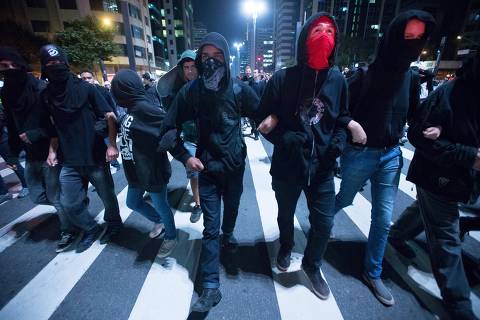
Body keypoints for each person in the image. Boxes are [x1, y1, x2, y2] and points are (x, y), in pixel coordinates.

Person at [332, 10, 436, 306]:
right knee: (344, 200)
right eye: (407, 37)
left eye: (419, 38)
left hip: (391, 156)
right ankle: (318, 229)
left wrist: (433, 129)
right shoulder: (364, 75)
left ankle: (372, 271)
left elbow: (416, 118)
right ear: (393, 37)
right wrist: (351, 124)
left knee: (383, 218)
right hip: (360, 154)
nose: (413, 44)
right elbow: (338, 113)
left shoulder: (412, 79)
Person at [159, 32, 259, 312]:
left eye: (217, 57)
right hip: (207, 169)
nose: (211, 63)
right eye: (205, 57)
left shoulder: (239, 90)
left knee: (233, 210)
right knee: (209, 228)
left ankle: (229, 235)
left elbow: (264, 114)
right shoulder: (192, 92)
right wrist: (184, 156)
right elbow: (168, 127)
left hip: (236, 167)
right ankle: (211, 287)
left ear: (227, 60)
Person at [255, 13, 348, 300]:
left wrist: (335, 149)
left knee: (324, 224)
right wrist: (286, 139)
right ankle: (286, 245)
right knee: (285, 214)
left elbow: (342, 119)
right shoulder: (284, 77)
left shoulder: (338, 80)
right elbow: (262, 119)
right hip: (287, 166)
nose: (324, 35)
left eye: (330, 31)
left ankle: (312, 264)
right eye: (317, 30)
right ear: (305, 38)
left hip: (321, 170)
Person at [406, 52, 480, 320]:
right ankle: (459, 303)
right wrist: (469, 156)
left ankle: (396, 234)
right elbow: (418, 135)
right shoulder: (448, 93)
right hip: (440, 176)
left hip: (462, 181)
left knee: (423, 212)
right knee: (445, 234)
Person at [40, 44, 123, 253]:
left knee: (108, 197)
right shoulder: (47, 95)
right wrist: (51, 151)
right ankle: (90, 228)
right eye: (50, 63)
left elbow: (110, 115)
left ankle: (114, 225)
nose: (55, 66)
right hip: (69, 160)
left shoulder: (86, 89)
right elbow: (52, 128)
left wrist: (111, 144)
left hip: (94, 156)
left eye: (58, 62)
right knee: (69, 203)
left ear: (66, 63)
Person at [0, 47, 76, 252]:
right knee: (36, 195)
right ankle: (71, 207)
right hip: (30, 154)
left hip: (50, 152)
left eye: (14, 65)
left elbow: (58, 125)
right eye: (4, 66)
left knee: (54, 196)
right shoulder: (6, 91)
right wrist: (13, 151)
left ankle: (68, 229)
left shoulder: (41, 89)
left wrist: (37, 135)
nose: (10, 69)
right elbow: (11, 121)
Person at [111, 69, 177, 257]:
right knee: (132, 202)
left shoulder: (144, 107)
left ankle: (171, 236)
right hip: (136, 171)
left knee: (161, 206)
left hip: (152, 170)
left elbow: (169, 122)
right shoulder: (132, 108)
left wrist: (170, 141)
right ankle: (160, 221)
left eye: (117, 89)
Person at [157, 49, 203, 223]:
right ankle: (198, 204)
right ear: (181, 69)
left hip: (208, 138)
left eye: (193, 66)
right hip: (189, 138)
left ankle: (209, 199)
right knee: (194, 173)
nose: (190, 70)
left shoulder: (207, 85)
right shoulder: (177, 92)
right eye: (186, 67)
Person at [80, 70, 121, 171]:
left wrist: (117, 126)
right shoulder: (79, 93)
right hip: (89, 130)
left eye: (89, 78)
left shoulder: (103, 91)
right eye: (83, 78)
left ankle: (115, 165)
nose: (86, 80)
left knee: (110, 148)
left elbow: (112, 109)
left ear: (93, 78)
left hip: (104, 127)